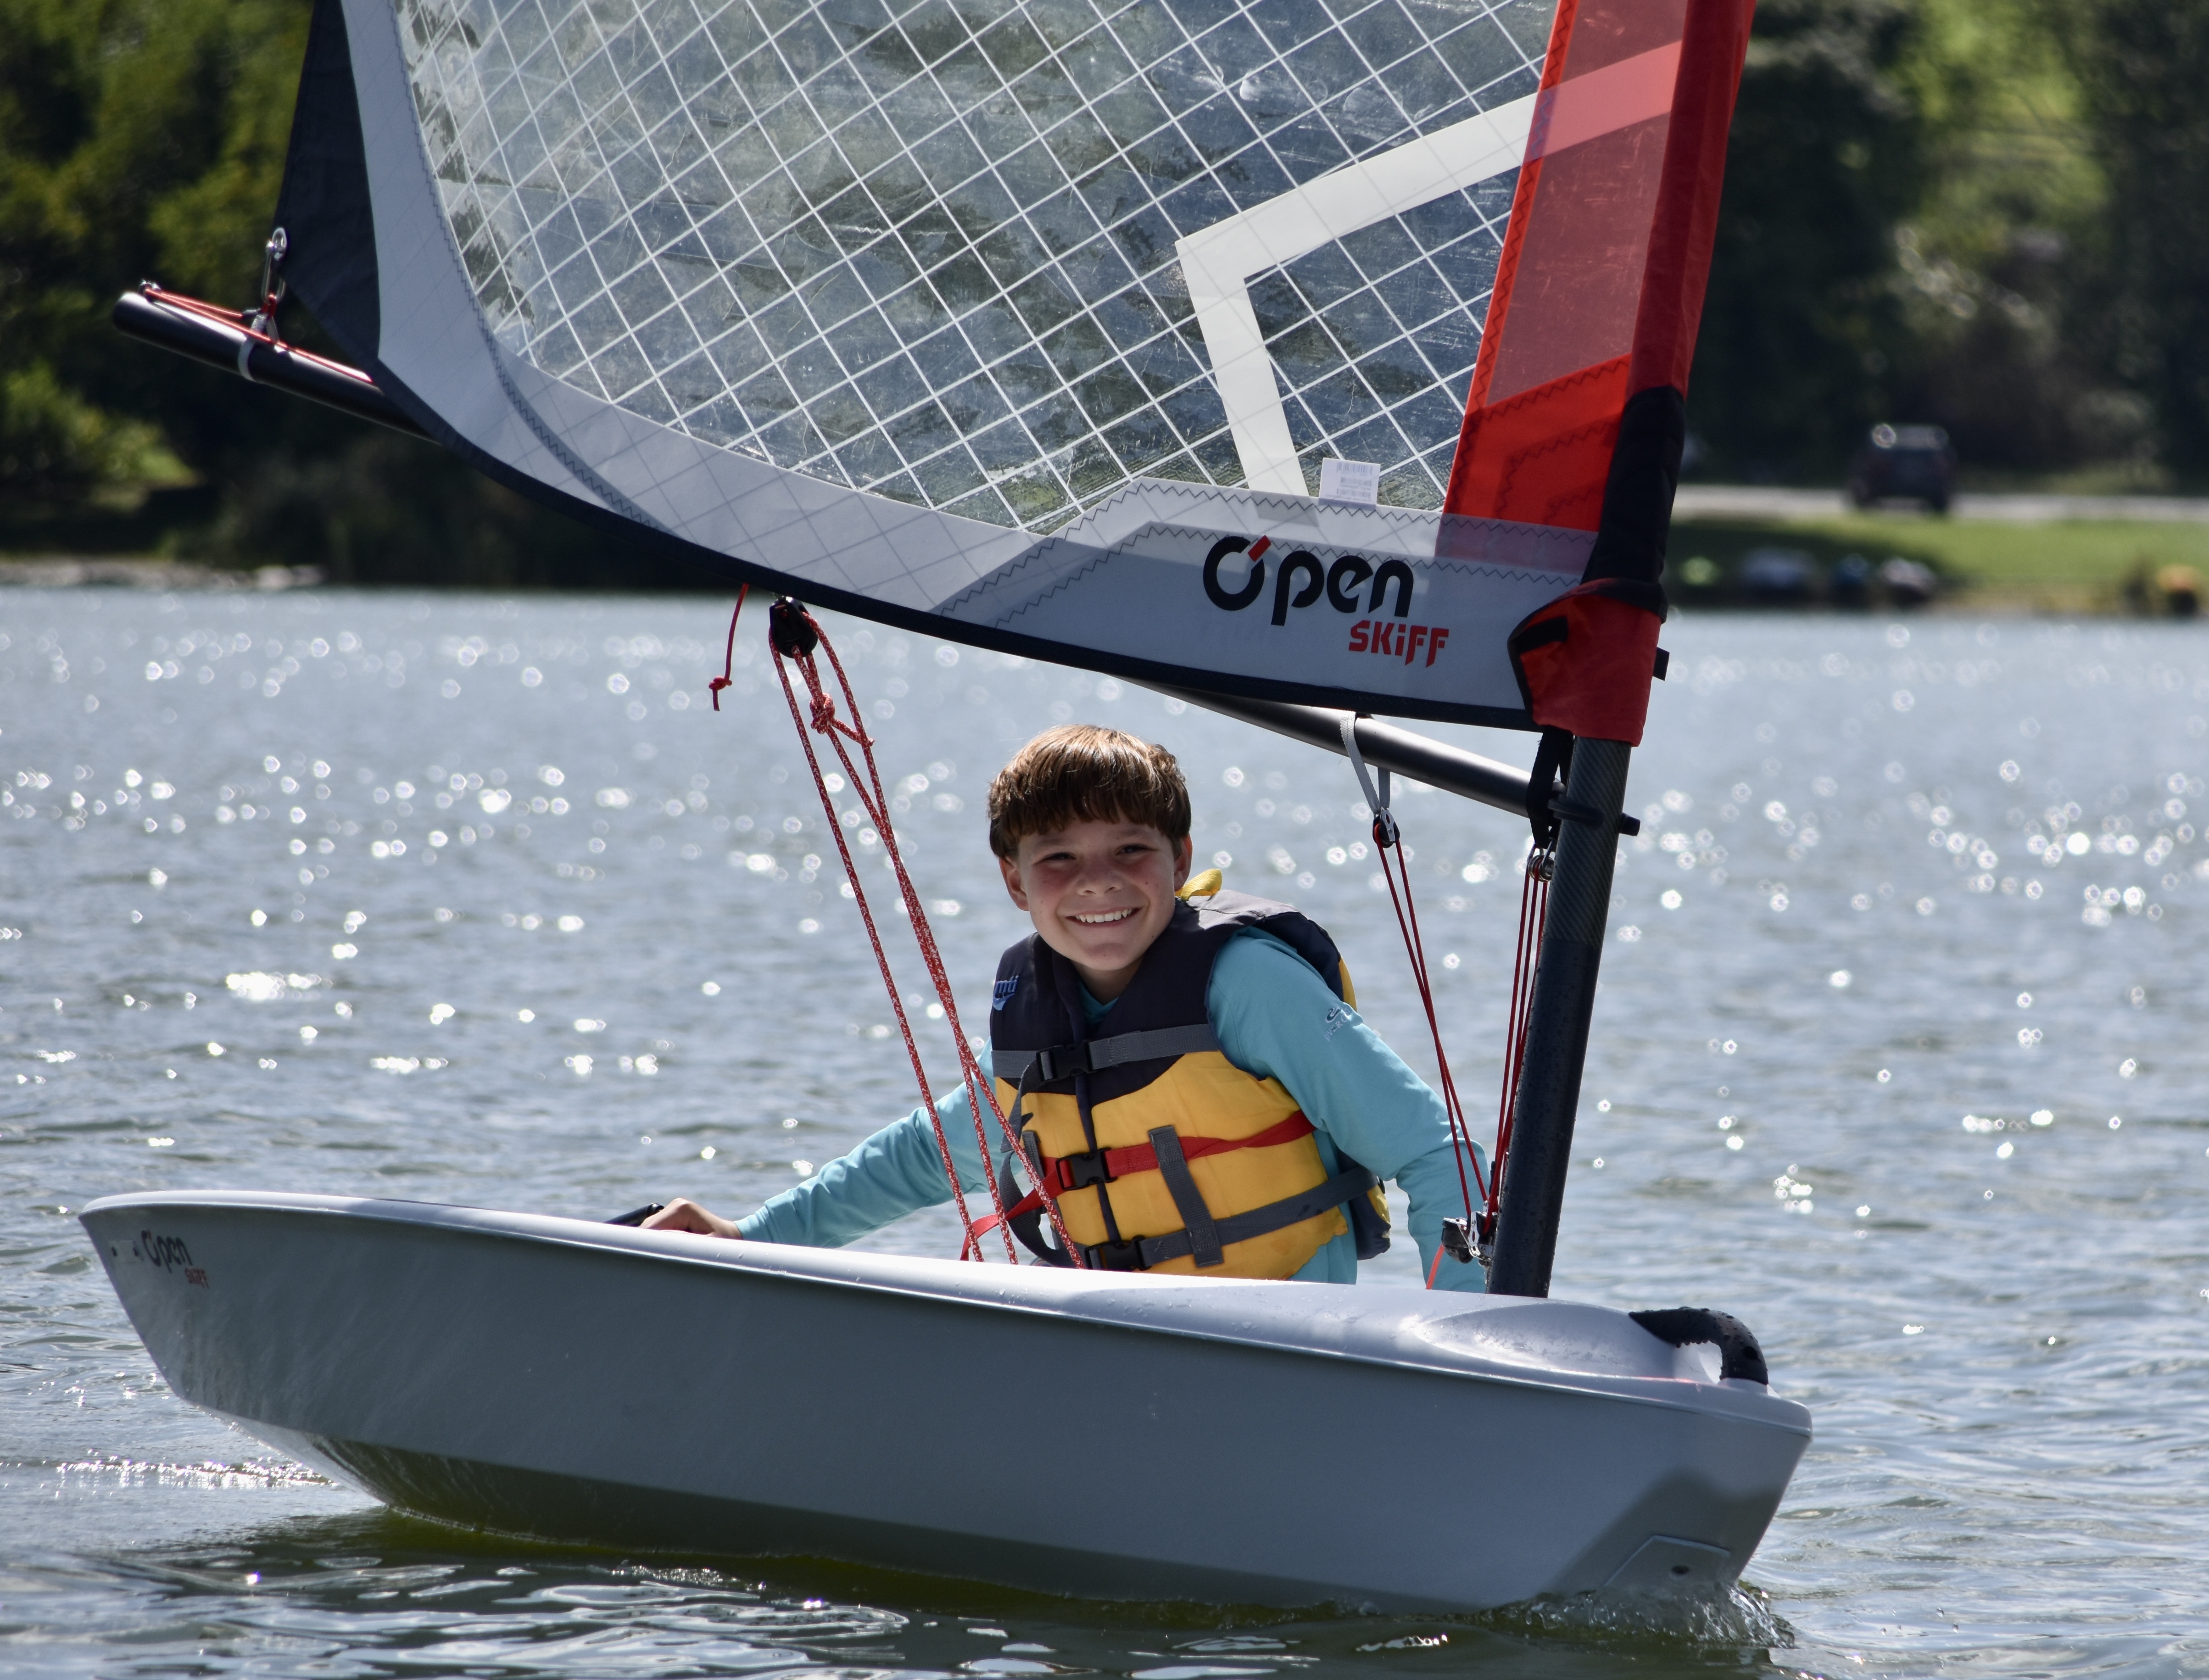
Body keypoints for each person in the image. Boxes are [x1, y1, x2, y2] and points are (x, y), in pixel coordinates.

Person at [645, 724, 1485, 1290]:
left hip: (1287, 1352)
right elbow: (929, 1158)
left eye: (1130, 848)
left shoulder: (1248, 984)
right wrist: (750, 1240)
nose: (1097, 883)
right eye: (1058, 858)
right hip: (1119, 1356)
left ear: (1180, 857)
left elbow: (1436, 1152)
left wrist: (1464, 1337)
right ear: (1013, 879)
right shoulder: (1034, 1011)